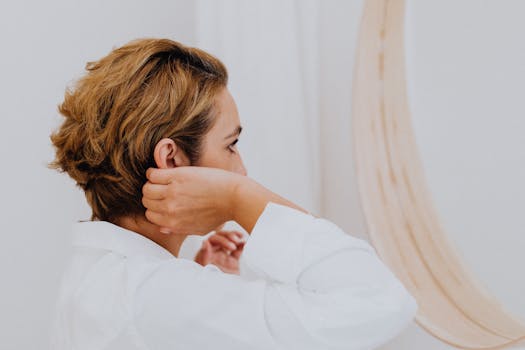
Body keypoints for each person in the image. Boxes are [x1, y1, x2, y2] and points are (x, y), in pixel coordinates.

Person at [50, 38, 418, 350]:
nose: (241, 169)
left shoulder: (98, 274)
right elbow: (380, 300)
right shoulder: (154, 295)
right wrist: (241, 199)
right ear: (172, 159)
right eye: (231, 144)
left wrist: (195, 280)